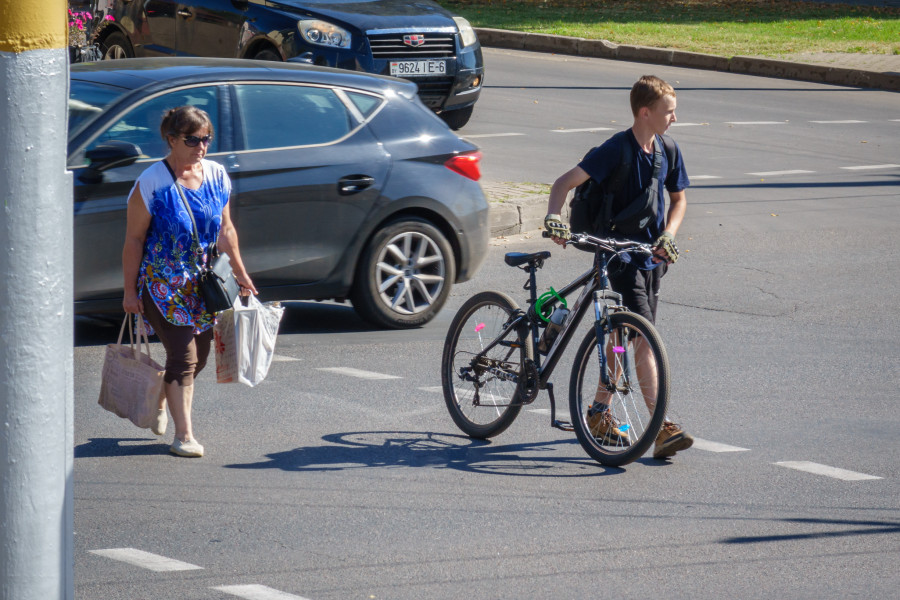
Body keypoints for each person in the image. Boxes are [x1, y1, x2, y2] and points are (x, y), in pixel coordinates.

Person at [544, 75, 693, 460]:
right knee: (644, 338)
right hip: (616, 255)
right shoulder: (616, 149)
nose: (674, 118)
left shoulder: (668, 150)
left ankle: (598, 411)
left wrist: (669, 235)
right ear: (646, 112)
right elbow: (563, 183)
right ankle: (660, 427)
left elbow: (678, 200)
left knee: (618, 338)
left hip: (651, 259)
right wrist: (553, 217)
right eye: (669, 112)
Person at [122, 106, 257, 458]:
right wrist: (128, 291)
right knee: (183, 356)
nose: (201, 146)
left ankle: (165, 399)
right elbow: (134, 240)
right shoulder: (151, 182)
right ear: (171, 140)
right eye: (192, 139)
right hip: (162, 284)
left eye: (206, 138)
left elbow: (226, 230)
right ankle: (184, 436)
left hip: (203, 284)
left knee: (200, 357)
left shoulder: (216, 175)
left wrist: (242, 273)